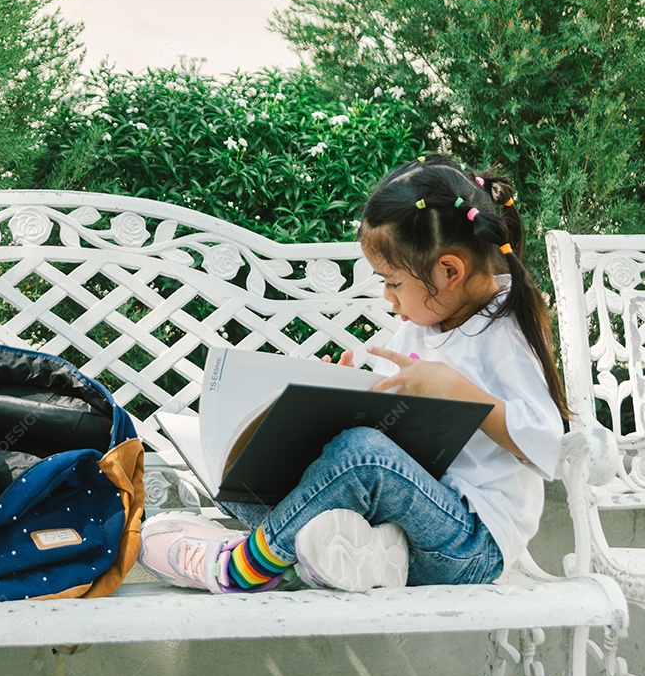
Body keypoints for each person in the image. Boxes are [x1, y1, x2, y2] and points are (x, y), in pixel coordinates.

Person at [138, 154, 569, 593]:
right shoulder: (418, 330)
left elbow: (551, 445)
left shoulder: (505, 331)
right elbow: (389, 425)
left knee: (360, 453)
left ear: (450, 271)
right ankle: (310, 559)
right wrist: (341, 397)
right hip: (395, 535)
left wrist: (461, 392)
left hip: (468, 547)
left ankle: (241, 568)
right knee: (241, 472)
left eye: (393, 282)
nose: (387, 297)